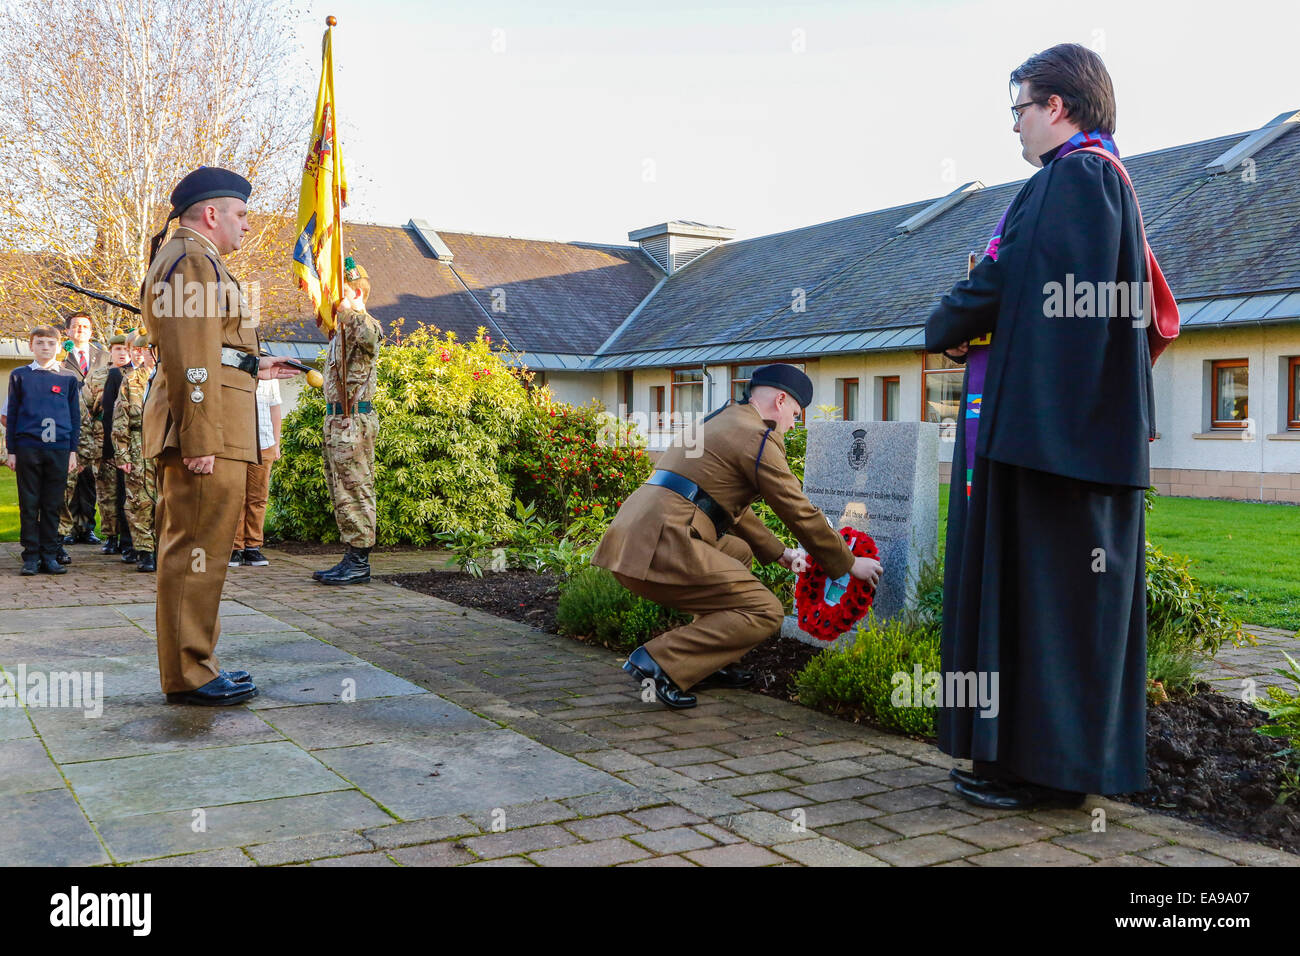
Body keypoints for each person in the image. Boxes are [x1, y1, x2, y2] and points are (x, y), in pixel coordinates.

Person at [925, 43, 1153, 810]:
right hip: (1069, 443)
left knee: (1045, 608)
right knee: (1057, 606)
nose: (1015, 127)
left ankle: (1038, 772)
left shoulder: (1075, 178)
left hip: (1051, 448)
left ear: (1058, 105)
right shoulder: (1100, 179)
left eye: (1019, 109)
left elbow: (1009, 280)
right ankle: (1041, 767)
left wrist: (947, 320)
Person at [591, 364, 883, 709]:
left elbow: (729, 506)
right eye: (795, 413)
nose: (793, 423)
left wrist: (780, 554)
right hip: (664, 540)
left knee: (739, 553)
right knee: (765, 612)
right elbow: (797, 509)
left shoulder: (723, 419)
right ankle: (661, 663)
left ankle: (709, 662)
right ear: (780, 400)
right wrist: (848, 563)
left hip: (639, 533)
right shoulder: (757, 436)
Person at [142, 166, 302, 706]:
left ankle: (197, 664)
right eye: (240, 214)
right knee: (194, 552)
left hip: (219, 423)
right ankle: (189, 674)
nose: (246, 225)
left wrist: (257, 365)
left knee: (202, 552)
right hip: (208, 431)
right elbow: (189, 357)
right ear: (211, 213)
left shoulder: (196, 258)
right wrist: (200, 438)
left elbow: (214, 348)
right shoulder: (191, 258)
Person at [313, 257, 382, 586]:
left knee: (356, 489)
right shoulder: (341, 331)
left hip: (354, 421)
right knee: (341, 490)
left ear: (356, 292)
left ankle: (359, 561)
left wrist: (346, 308)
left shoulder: (365, 324)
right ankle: (351, 555)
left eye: (339, 292)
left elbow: (367, 335)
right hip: (338, 421)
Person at [6, 326, 80, 575]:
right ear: (31, 346)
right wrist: (11, 450)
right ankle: (30, 555)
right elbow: (13, 414)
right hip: (28, 447)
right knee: (29, 503)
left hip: (58, 447)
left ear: (59, 347)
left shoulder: (68, 377)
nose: (45, 347)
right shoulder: (19, 375)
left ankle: (49, 554)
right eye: (40, 343)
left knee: (52, 503)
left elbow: (74, 416)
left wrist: (72, 450)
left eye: (50, 343)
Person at [77, 333, 133, 558]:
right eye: (117, 349)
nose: (122, 353)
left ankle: (133, 536)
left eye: (125, 349)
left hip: (130, 444)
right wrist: (88, 444)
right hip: (103, 441)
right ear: (110, 351)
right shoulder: (98, 375)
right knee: (106, 491)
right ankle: (111, 535)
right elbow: (86, 411)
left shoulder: (138, 375)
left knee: (130, 491)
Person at [59, 312, 107, 545]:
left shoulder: (104, 357)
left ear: (91, 331)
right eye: (76, 326)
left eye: (85, 326)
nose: (80, 330)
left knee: (90, 478)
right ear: (67, 331)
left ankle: (86, 527)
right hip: (68, 425)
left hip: (96, 427)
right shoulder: (60, 356)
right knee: (69, 479)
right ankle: (66, 528)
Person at [112, 330, 158, 572]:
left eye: (156, 350)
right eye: (148, 350)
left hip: (165, 447)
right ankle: (145, 550)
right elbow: (120, 419)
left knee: (167, 501)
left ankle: (163, 547)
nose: (152, 355)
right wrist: (122, 454)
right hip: (139, 445)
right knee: (139, 501)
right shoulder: (131, 381)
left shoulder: (172, 378)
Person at [230, 376, 282, 568]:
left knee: (258, 497)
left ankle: (253, 546)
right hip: (238, 444)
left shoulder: (271, 379)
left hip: (264, 443)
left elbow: (275, 410)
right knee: (237, 496)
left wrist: (277, 443)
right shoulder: (235, 373)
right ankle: (235, 547)